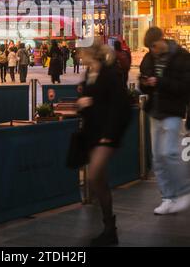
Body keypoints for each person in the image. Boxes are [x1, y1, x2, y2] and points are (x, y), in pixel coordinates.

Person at [78, 42, 131, 246]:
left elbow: (120, 106)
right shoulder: (88, 75)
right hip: (94, 134)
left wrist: (110, 134)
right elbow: (86, 102)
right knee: (98, 180)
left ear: (92, 55)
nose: (80, 57)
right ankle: (109, 228)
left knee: (94, 174)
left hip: (107, 136)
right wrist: (83, 104)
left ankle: (110, 227)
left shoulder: (110, 76)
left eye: (83, 54)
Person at [139, 27, 190, 215]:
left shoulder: (181, 57)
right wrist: (144, 83)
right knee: (158, 157)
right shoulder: (149, 58)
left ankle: (184, 191)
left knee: (169, 152)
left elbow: (185, 86)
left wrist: (159, 83)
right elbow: (142, 82)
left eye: (153, 46)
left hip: (173, 111)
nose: (152, 50)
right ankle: (167, 197)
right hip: (155, 110)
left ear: (161, 39)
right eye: (149, 47)